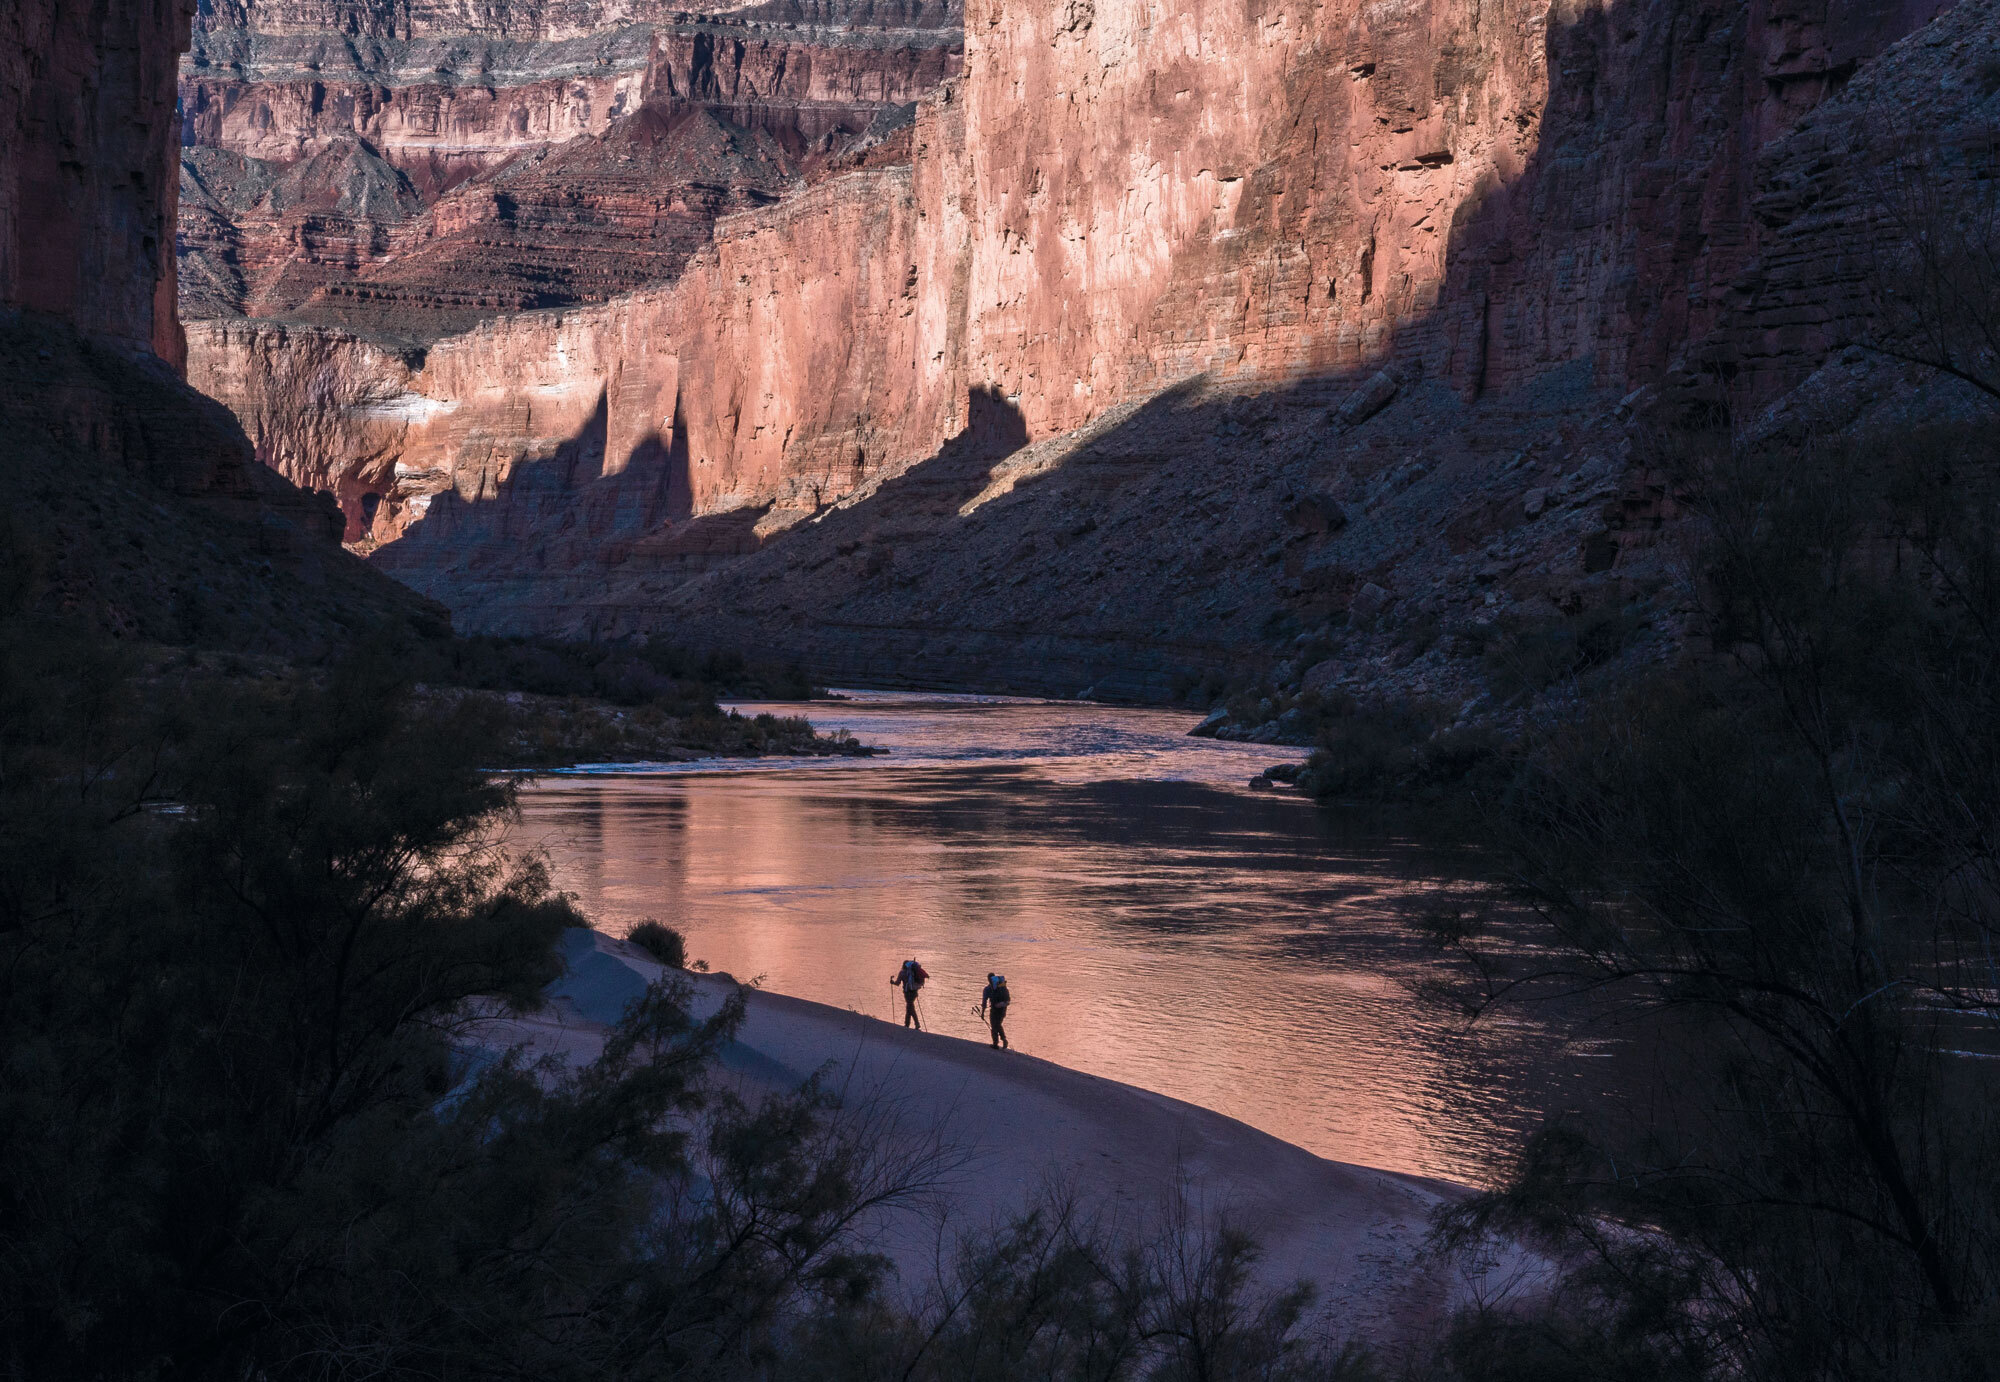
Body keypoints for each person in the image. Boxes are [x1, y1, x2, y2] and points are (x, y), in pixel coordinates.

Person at [890, 957, 928, 1028]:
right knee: (909, 1007)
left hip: (907, 993)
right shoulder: (913, 972)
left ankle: (916, 1023)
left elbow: (898, 983)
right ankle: (907, 1024)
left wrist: (892, 982)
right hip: (914, 992)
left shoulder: (902, 973)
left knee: (910, 1008)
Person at [979, 972, 1011, 1049]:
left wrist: (982, 1013)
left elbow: (984, 1002)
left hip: (995, 1009)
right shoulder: (1001, 987)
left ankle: (995, 1043)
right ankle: (1004, 1039)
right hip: (1003, 1008)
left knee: (994, 1025)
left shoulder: (987, 989)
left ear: (988, 979)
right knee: (998, 1024)